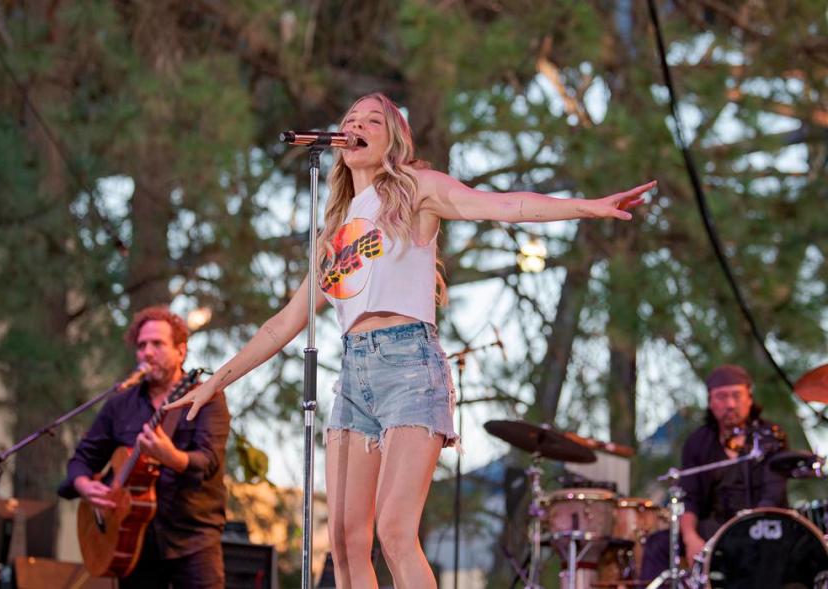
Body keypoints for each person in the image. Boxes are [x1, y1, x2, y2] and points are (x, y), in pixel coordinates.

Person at [167, 92, 653, 588]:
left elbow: (505, 206)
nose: (356, 124)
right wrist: (216, 382)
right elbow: (284, 323)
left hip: (409, 364)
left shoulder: (415, 189)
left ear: (393, 139)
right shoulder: (333, 230)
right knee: (346, 539)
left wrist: (587, 208)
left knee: (395, 531)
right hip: (352, 374)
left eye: (371, 120)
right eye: (350, 118)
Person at [58, 306, 230, 588]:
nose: (147, 353)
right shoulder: (119, 404)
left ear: (181, 351)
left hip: (193, 539)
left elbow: (209, 462)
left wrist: (171, 457)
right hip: (133, 542)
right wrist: (85, 486)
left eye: (157, 344)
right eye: (141, 346)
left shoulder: (207, 397)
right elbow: (81, 460)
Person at [640, 363, 788, 581]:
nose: (729, 404)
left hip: (762, 527)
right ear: (710, 402)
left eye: (736, 396)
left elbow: (773, 496)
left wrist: (746, 533)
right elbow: (690, 499)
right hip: (715, 528)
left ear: (749, 398)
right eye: (721, 397)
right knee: (659, 545)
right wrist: (691, 538)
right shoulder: (698, 442)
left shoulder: (770, 437)